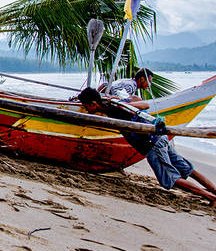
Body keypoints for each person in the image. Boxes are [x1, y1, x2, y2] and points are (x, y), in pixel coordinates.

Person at [78, 87, 216, 206]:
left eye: (85, 106)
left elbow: (144, 105)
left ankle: (211, 197)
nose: (85, 108)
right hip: (160, 139)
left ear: (93, 104)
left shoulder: (116, 108)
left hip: (152, 144)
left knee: (170, 178)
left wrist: (124, 105)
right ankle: (214, 191)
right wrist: (117, 100)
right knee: (187, 169)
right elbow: (134, 97)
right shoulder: (110, 103)